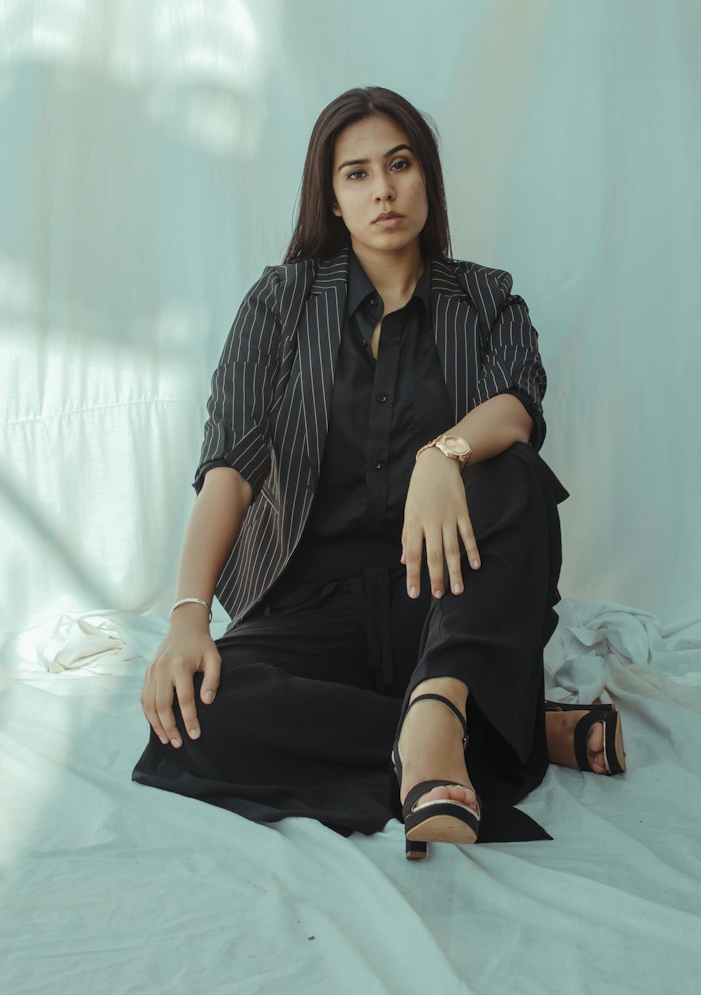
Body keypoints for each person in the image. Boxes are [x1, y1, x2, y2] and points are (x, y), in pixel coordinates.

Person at [133, 87, 625, 859]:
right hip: (310, 602)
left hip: (444, 594)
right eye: (356, 174)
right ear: (330, 198)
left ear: (426, 177)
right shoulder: (281, 302)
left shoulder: (486, 298)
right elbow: (230, 462)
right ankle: (484, 732)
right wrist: (187, 616)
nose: (384, 190)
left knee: (515, 474)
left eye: (399, 165)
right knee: (196, 717)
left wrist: (442, 454)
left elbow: (516, 408)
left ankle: (441, 706)